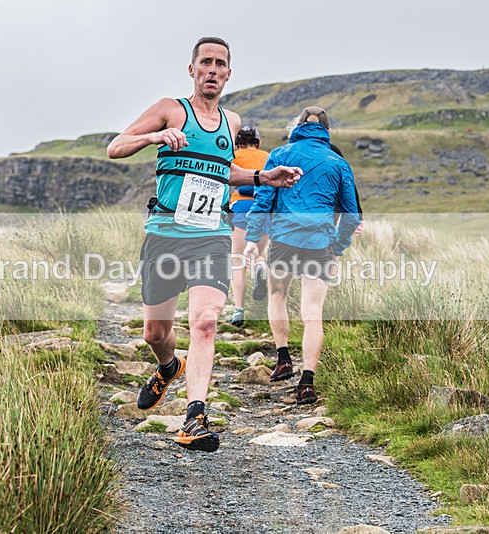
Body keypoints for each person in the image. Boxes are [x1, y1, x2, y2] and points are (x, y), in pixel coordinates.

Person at [107, 37, 302, 452]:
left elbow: (223, 170)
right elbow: (115, 147)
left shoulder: (231, 122)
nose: (213, 69)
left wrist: (263, 178)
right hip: (165, 233)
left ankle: (194, 416)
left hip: (212, 233)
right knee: (155, 332)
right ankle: (167, 366)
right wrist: (154, 138)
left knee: (206, 321)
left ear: (229, 74)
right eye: (206, 62)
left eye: (221, 64)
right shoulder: (170, 109)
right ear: (192, 69)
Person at [244, 106, 360, 404]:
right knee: (312, 313)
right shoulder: (338, 162)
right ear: (327, 131)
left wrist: (253, 239)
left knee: (277, 296)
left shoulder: (280, 155)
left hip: (283, 239)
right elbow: (351, 214)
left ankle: (283, 358)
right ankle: (306, 382)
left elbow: (263, 200)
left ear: (296, 126)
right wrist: (337, 246)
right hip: (319, 242)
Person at [227, 125, 270, 327]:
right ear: (258, 142)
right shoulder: (268, 156)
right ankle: (260, 267)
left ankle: (239, 310)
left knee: (238, 261)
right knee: (255, 253)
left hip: (242, 205)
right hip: (265, 208)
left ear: (239, 143)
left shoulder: (234, 155)